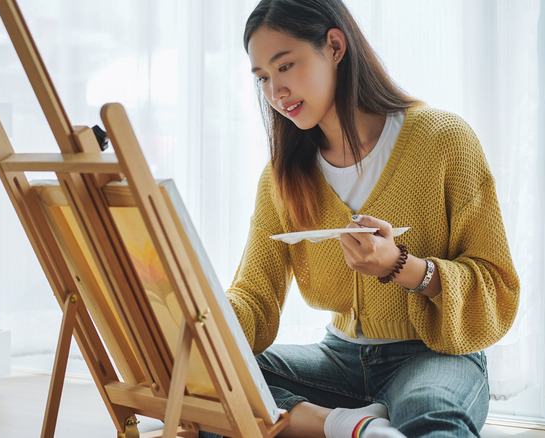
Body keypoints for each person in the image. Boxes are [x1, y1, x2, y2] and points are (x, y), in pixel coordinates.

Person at [222, 0, 521, 436]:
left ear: (335, 46)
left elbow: (497, 287)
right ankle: (347, 426)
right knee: (217, 386)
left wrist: (402, 267)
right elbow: (255, 296)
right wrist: (198, 315)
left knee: (433, 420)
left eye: (285, 66)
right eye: (263, 78)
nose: (274, 92)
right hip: (337, 359)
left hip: (434, 355)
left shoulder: (443, 141)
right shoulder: (282, 175)